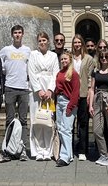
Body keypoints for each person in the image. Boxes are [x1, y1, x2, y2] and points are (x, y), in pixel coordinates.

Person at [0, 24, 32, 160]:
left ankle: (22, 148)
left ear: (22, 34)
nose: (17, 35)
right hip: (10, 87)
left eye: (19, 33)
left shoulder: (28, 50)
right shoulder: (5, 50)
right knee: (10, 120)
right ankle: (8, 149)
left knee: (23, 120)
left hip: (24, 88)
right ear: (12, 35)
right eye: (15, 33)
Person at [28, 32, 59, 161]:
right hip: (36, 92)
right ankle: (38, 150)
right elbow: (31, 72)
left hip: (49, 91)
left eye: (44, 40)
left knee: (48, 120)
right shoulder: (33, 54)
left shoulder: (53, 55)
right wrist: (39, 90)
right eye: (40, 40)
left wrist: (50, 90)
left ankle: (48, 150)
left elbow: (56, 73)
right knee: (36, 120)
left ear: (48, 41)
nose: (42, 42)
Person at [71, 34, 95, 161]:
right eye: (75, 42)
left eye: (79, 42)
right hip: (70, 94)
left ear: (82, 44)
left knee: (83, 123)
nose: (77, 44)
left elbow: (91, 78)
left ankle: (82, 150)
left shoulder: (88, 59)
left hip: (83, 94)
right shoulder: (69, 58)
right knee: (69, 123)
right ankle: (69, 149)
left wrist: (90, 92)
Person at [54, 51, 80, 166]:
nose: (63, 61)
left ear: (70, 60)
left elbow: (75, 92)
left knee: (66, 129)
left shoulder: (73, 74)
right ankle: (67, 154)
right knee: (60, 128)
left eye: (65, 59)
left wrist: (70, 106)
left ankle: (65, 156)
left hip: (68, 102)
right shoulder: (59, 72)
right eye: (62, 59)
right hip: (59, 102)